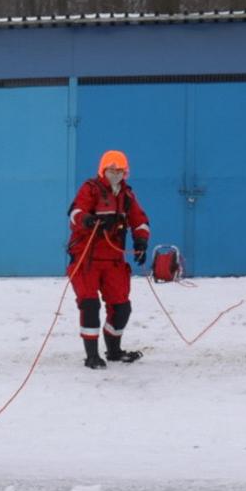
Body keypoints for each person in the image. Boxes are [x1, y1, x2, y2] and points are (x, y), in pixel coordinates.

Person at [66, 150, 151, 369]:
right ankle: (92, 356)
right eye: (112, 170)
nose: (116, 174)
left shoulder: (127, 196)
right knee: (90, 304)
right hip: (87, 259)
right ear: (103, 170)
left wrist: (141, 242)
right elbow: (76, 213)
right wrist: (88, 220)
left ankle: (114, 351)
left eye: (120, 170)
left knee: (122, 308)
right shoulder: (90, 189)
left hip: (114, 261)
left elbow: (139, 221)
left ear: (126, 173)